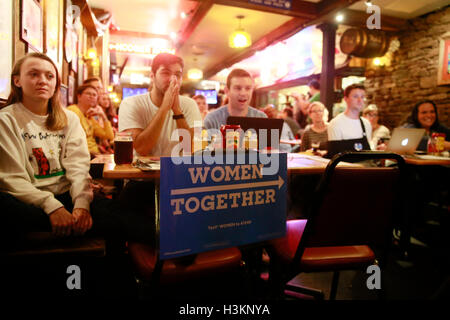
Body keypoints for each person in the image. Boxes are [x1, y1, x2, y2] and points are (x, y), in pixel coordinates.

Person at [0, 53, 127, 251]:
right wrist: (52, 207)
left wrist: (82, 204)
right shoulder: (6, 119)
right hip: (27, 201)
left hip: (66, 195)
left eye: (49, 76)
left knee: (124, 214)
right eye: (33, 74)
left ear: (56, 84)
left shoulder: (69, 118)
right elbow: (11, 177)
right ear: (17, 81)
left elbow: (78, 167)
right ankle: (72, 227)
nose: (42, 80)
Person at [119, 53, 202, 157]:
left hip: (177, 170)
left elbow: (192, 148)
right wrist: (164, 108)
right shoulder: (130, 103)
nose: (172, 79)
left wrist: (177, 110)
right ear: (152, 76)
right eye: (166, 73)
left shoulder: (190, 104)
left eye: (177, 75)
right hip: (141, 172)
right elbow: (141, 149)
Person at [204, 69, 291, 152]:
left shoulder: (261, 118)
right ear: (227, 91)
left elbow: (272, 153)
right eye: (238, 88)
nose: (243, 93)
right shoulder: (212, 119)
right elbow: (201, 155)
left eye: (248, 88)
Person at [327, 83, 372, 158]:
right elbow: (334, 156)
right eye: (355, 96)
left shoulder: (366, 123)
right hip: (345, 168)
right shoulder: (336, 123)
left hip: (366, 167)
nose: (360, 100)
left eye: (362, 97)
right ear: (346, 99)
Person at [68, 85, 114, 156]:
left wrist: (103, 115)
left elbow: (108, 136)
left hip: (95, 155)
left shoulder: (89, 116)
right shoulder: (73, 111)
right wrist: (94, 154)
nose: (92, 96)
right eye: (88, 94)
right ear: (79, 97)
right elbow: (72, 141)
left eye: (94, 95)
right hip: (83, 156)